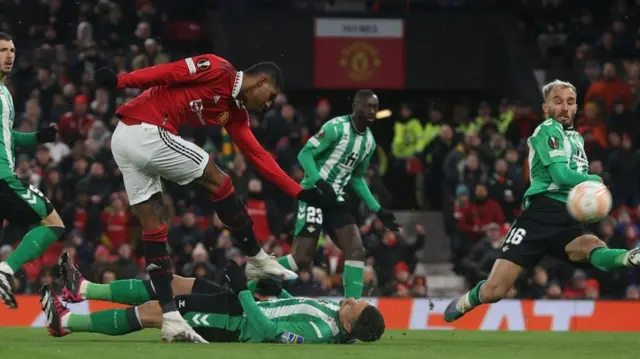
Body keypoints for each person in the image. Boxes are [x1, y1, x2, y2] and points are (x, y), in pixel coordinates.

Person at [96, 54, 331, 342]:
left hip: (126, 139)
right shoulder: (218, 69)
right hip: (145, 128)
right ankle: (256, 257)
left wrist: (299, 191)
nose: (268, 104)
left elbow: (257, 155)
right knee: (219, 180)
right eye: (270, 97)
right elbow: (169, 72)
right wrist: (121, 81)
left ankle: (170, 317)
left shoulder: (235, 113)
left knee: (155, 226)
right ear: (262, 81)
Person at [444, 80, 640, 322]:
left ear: (577, 107)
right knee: (495, 291)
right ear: (546, 109)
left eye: (569, 102)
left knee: (594, 247)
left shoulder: (577, 139)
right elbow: (561, 176)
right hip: (539, 214)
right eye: (557, 102)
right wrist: (595, 179)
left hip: (568, 215)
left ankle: (630, 257)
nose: (564, 108)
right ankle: (467, 301)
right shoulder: (547, 130)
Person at [42, 254, 385, 344]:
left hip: (234, 321)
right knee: (174, 282)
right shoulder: (334, 312)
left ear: (351, 322)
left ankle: (66, 323)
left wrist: (241, 291)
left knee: (155, 313)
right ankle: (84, 290)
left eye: (360, 305)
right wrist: (273, 287)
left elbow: (268, 330)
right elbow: (288, 308)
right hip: (241, 304)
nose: (355, 299)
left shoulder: (321, 332)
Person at [264, 90, 399, 299]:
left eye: (375, 107)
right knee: (301, 259)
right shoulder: (336, 127)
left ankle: (351, 307)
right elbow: (305, 154)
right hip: (314, 195)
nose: (372, 111)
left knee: (357, 251)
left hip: (335, 200)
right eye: (368, 106)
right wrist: (319, 182)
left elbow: (357, 178)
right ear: (356, 107)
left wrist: (378, 209)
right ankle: (257, 273)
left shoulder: (369, 142)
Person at [0, 32, 64, 309]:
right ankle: (6, 270)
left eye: (12, 50)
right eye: (2, 50)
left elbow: (7, 136)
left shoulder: (4, 93)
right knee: (53, 223)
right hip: (2, 178)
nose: (9, 56)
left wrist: (38, 137)